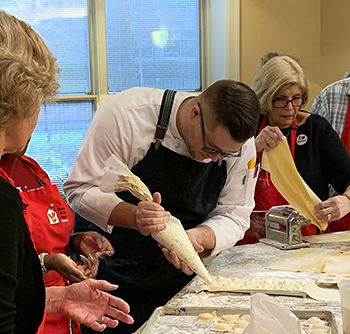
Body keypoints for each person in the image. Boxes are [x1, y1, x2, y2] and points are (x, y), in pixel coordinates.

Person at [63, 79, 261, 333]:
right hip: (114, 277)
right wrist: (134, 216)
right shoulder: (126, 115)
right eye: (211, 148)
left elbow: (235, 213)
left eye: (225, 155)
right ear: (195, 113)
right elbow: (80, 189)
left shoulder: (239, 146)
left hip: (180, 282)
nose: (215, 159)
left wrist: (195, 237)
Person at [0, 10, 134, 334]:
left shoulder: (31, 172)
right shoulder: (2, 200)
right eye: (39, 105)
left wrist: (57, 297)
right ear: (22, 102)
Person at [237, 56, 350, 245]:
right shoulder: (246, 126)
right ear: (265, 97)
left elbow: (347, 177)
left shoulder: (316, 129)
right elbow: (220, 175)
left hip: (305, 240)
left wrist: (346, 200)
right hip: (249, 239)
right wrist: (253, 148)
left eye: (296, 98)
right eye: (280, 100)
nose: (290, 108)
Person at [0, 153, 115, 334]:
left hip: (63, 315)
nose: (35, 125)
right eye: (32, 122)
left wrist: (74, 244)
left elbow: (39, 239)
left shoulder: (31, 168)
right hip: (24, 319)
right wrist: (49, 262)